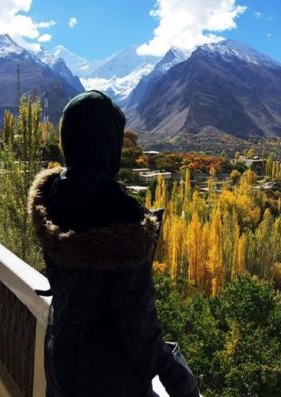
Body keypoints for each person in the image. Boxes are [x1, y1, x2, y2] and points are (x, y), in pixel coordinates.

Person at [29, 91, 199, 396]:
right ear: (108, 143)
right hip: (108, 380)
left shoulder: (53, 197)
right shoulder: (121, 215)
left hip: (60, 362)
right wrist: (180, 378)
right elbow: (138, 326)